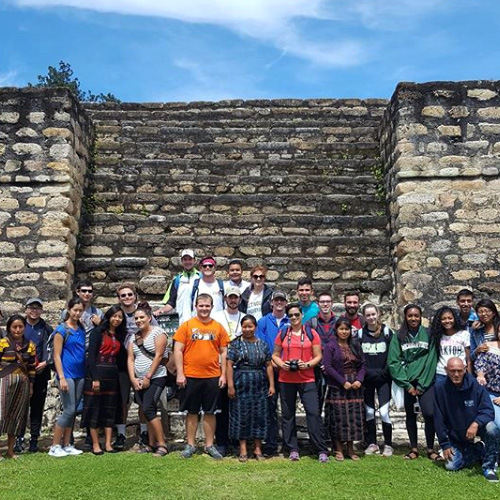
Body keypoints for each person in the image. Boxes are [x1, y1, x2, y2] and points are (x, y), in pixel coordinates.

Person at [173, 293, 230, 460]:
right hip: (191, 375)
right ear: (195, 307)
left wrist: (223, 375)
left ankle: (209, 445)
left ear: (212, 307)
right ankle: (190, 444)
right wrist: (180, 373)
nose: (204, 309)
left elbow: (224, 352)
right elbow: (178, 350)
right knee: (192, 412)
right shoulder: (187, 326)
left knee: (210, 412)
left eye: (207, 306)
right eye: (201, 306)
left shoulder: (218, 327)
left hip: (212, 376)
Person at [272, 303, 329, 463]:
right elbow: (275, 354)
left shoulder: (311, 333)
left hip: (307, 378)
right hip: (286, 379)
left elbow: (318, 356)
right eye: (291, 315)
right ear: (287, 317)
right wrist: (282, 364)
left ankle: (320, 449)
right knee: (288, 415)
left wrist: (308, 364)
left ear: (302, 315)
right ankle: (292, 448)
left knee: (313, 413)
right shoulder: (283, 333)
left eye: (297, 315)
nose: (294, 318)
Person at [434, 357, 500, 482]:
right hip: (456, 436)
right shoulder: (439, 388)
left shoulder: (476, 386)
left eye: (459, 370)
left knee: (492, 428)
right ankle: (478, 450)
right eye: (452, 371)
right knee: (451, 465)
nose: (456, 374)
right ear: (446, 370)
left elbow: (488, 411)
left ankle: (489, 467)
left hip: (477, 429)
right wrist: (444, 444)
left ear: (465, 369)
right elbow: (438, 418)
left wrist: (476, 423)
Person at [388, 304, 440, 461]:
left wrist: (423, 384)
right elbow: (393, 361)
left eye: (416, 315)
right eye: (410, 315)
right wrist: (407, 384)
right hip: (408, 381)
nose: (413, 319)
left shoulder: (429, 334)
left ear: (421, 317)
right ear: (405, 317)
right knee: (410, 414)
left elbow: (432, 359)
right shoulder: (399, 336)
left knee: (429, 413)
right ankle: (414, 448)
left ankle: (431, 448)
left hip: (425, 380)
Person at [114, 282, 159, 450]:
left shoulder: (144, 313)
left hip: (142, 360)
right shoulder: (116, 314)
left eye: (129, 294)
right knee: (123, 400)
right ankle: (121, 433)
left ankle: (144, 432)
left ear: (135, 296)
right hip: (121, 361)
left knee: (142, 401)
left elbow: (156, 331)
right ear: (119, 298)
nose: (127, 298)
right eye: (123, 295)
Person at [227, 315, 275, 462]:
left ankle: (257, 448)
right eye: (245, 326)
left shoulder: (263, 344)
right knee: (242, 415)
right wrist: (230, 385)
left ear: (255, 327)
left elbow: (268, 365)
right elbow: (229, 364)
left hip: (259, 383)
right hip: (241, 382)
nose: (247, 329)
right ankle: (243, 449)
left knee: (259, 415)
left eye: (250, 326)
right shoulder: (236, 344)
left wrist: (271, 384)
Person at [82, 305, 125, 455]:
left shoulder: (119, 335)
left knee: (109, 408)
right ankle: (95, 444)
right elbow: (91, 357)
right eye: (115, 316)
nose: (117, 319)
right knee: (94, 408)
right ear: (109, 317)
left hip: (112, 374)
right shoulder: (98, 332)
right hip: (97, 372)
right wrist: (95, 378)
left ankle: (108, 443)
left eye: (120, 317)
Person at [127, 302, 169, 457]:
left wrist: (147, 377)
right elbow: (131, 359)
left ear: (149, 318)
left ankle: (162, 444)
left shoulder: (159, 333)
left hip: (156, 376)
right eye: (136, 318)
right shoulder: (134, 337)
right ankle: (151, 443)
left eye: (142, 317)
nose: (139, 320)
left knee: (149, 408)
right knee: (145, 410)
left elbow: (158, 356)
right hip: (138, 379)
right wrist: (133, 378)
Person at [48, 297, 86, 457]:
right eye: (75, 310)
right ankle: (54, 445)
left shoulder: (81, 329)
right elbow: (57, 356)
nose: (77, 313)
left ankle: (67, 444)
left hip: (80, 374)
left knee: (74, 410)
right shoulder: (61, 330)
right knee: (68, 409)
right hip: (67, 374)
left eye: (80, 310)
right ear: (69, 310)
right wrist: (61, 377)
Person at [323, 318, 366, 461]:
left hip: (355, 386)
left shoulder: (355, 345)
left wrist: (359, 379)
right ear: (336, 330)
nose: (344, 332)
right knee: (339, 418)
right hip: (338, 386)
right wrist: (343, 382)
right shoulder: (331, 346)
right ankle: (338, 449)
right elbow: (328, 367)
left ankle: (350, 448)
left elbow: (363, 365)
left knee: (353, 418)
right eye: (341, 329)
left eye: (346, 329)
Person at [15, 298, 53, 453]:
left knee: (37, 408)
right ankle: (19, 439)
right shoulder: (19, 326)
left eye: (37, 308)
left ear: (42, 310)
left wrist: (45, 363)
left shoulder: (46, 328)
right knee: (21, 408)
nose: (34, 311)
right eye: (31, 308)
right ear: (26, 309)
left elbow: (51, 349)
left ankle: (34, 439)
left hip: (40, 374)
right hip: (22, 374)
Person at [256, 290, 289, 456]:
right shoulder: (262, 321)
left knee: (287, 408)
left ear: (286, 303)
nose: (279, 303)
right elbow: (261, 345)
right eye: (276, 300)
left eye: (282, 300)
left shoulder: (291, 321)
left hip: (287, 370)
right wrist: (273, 361)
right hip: (269, 370)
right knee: (270, 408)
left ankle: (289, 444)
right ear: (271, 302)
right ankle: (271, 443)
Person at [212, 286, 243, 455]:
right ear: (225, 299)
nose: (233, 300)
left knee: (238, 407)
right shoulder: (216, 318)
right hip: (220, 366)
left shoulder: (245, 317)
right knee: (221, 407)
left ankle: (238, 441)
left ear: (239, 299)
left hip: (241, 368)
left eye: (235, 298)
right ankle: (222, 441)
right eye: (230, 297)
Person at [359, 303, 394, 457]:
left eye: (373, 314)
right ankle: (372, 443)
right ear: (364, 317)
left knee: (385, 412)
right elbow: (359, 358)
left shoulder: (387, 332)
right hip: (367, 379)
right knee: (369, 411)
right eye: (368, 315)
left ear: (378, 314)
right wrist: (367, 373)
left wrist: (383, 372)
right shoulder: (360, 334)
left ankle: (388, 444)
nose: (371, 317)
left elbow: (393, 356)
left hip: (384, 378)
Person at [0, 315, 36, 459]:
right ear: (9, 328)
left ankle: (10, 451)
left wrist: (31, 385)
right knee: (1, 415)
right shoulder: (3, 343)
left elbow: (32, 367)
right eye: (14, 327)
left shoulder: (30, 345)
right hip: (4, 382)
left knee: (16, 416)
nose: (17, 330)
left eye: (20, 326)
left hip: (23, 383)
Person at [305, 291, 337, 412]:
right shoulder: (311, 323)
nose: (325, 304)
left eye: (327, 302)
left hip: (335, 367)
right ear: (318, 304)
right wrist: (320, 363)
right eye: (322, 302)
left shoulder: (339, 322)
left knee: (335, 402)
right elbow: (308, 346)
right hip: (317, 368)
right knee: (317, 400)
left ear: (332, 304)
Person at [154, 249, 200, 324]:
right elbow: (171, 302)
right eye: (185, 259)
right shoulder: (177, 280)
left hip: (198, 321)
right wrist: (161, 310)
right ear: (182, 261)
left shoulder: (201, 277)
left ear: (195, 260)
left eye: (190, 259)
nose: (187, 262)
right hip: (181, 321)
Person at [430, 306, 470, 384]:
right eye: (443, 319)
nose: (447, 321)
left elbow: (468, 359)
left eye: (450, 318)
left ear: (454, 319)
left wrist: (470, 376)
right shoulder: (437, 336)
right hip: (442, 374)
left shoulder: (464, 334)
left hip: (460, 373)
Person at [474, 328, 500, 431]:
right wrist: (480, 375)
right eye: (499, 331)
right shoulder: (489, 346)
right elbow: (481, 364)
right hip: (491, 394)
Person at [470, 299, 500, 366]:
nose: (483, 314)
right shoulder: (475, 332)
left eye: (487, 311)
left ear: (494, 313)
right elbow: (471, 357)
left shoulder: (499, 329)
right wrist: (477, 350)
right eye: (480, 312)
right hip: (483, 371)